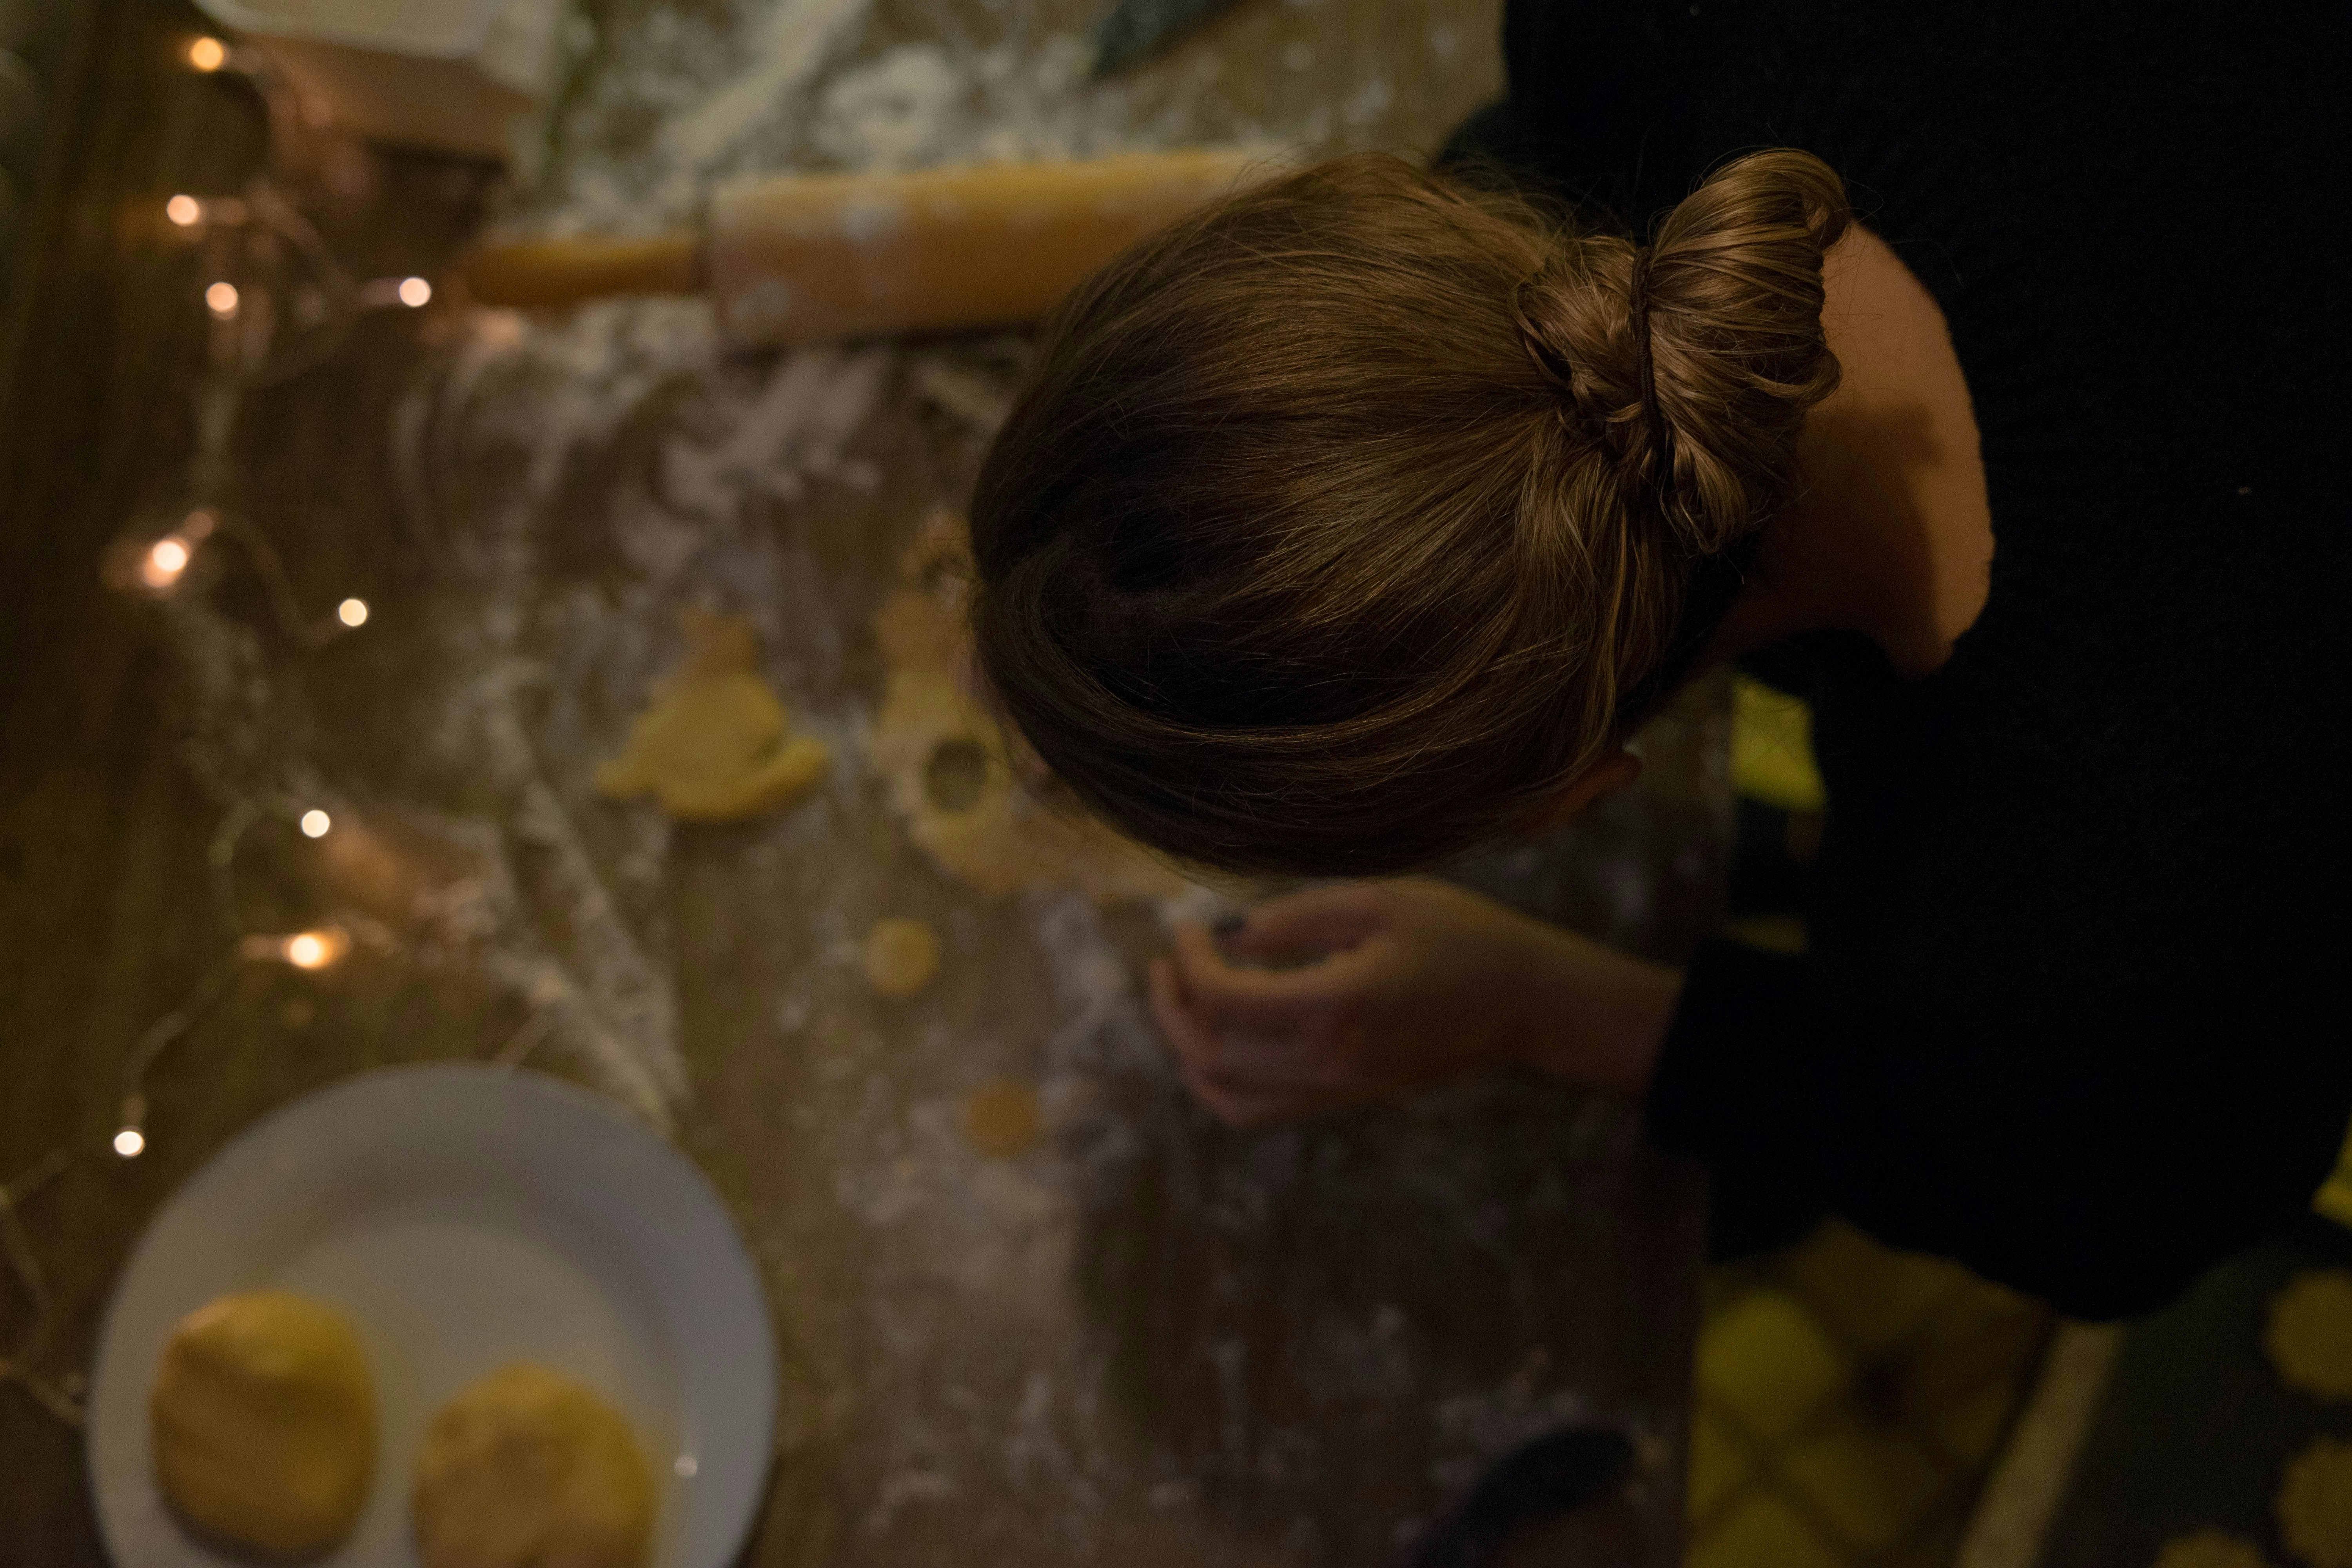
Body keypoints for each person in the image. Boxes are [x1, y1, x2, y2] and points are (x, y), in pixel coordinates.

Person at [965, 0, 2351, 1320]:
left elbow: (2108, 1220)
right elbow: (1556, 130)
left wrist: (1553, 1012)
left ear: (1572, 798)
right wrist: (1391, 445)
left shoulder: (2095, 916)